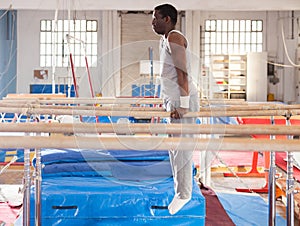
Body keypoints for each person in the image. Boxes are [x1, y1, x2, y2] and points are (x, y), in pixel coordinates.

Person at [152, 4, 200, 215]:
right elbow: (168, 76)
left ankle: (184, 194)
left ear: (167, 19)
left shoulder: (174, 37)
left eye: (156, 18)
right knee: (173, 147)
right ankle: (179, 191)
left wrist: (184, 105)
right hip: (172, 101)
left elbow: (183, 72)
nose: (152, 22)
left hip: (183, 101)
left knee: (183, 147)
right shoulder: (164, 40)